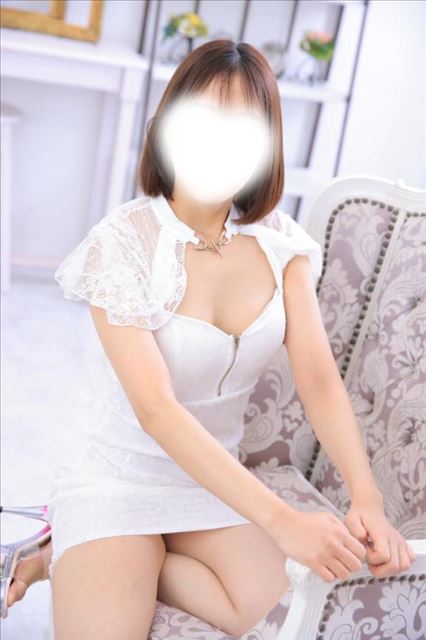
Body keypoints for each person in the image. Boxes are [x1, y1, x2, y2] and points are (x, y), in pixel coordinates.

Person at [2, 39, 415, 638]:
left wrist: (366, 497)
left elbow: (321, 383)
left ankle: (62, 553)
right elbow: (157, 410)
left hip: (211, 487)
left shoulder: (283, 247)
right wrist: (281, 520)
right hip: (120, 480)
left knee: (281, 610)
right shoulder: (121, 244)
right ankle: (77, 538)